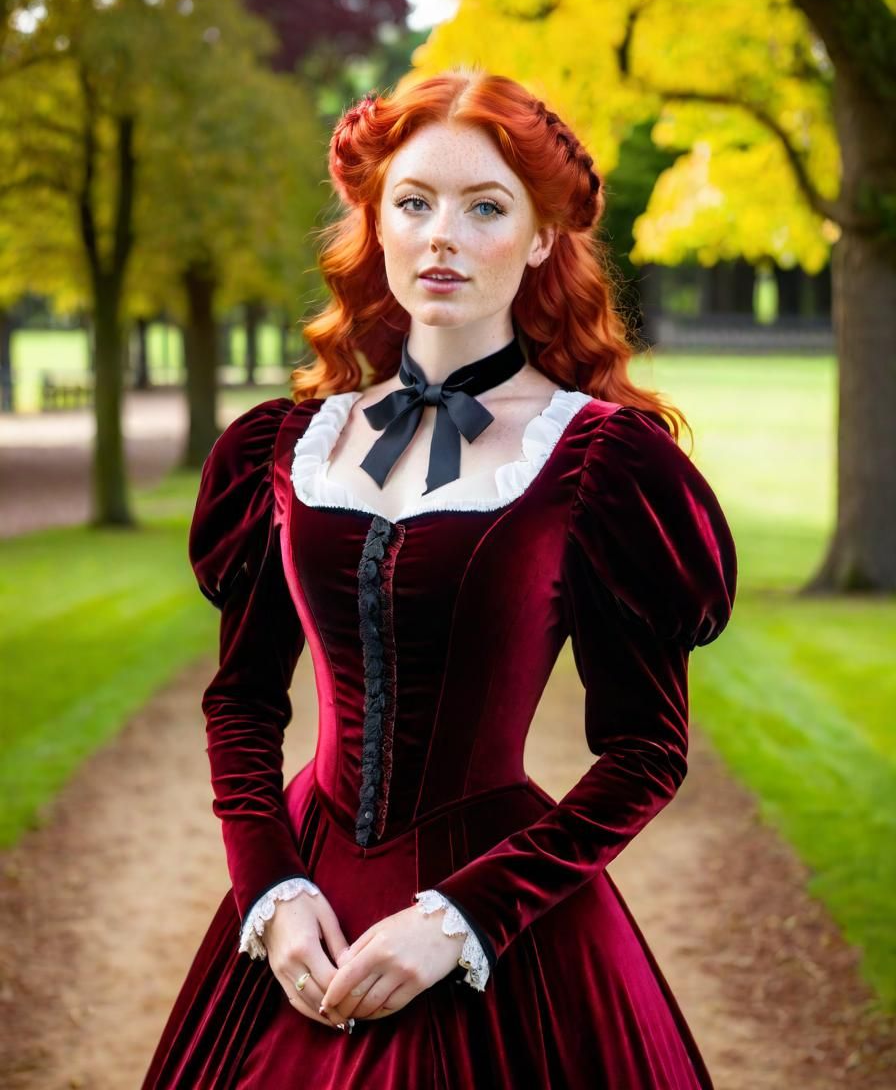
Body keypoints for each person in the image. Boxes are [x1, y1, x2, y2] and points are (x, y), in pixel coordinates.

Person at [142, 68, 737, 1089]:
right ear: (374, 224)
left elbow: (644, 751)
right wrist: (269, 891)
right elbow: (242, 700)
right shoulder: (287, 446)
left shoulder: (601, 464)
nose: (439, 238)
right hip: (307, 902)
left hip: (497, 918)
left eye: (484, 208)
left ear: (543, 237)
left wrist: (459, 919)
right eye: (411, 204)